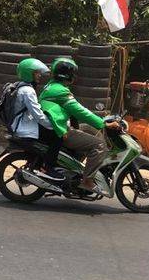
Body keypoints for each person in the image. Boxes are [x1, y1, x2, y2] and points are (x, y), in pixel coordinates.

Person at [40, 58, 120, 193]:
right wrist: (103, 123)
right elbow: (79, 111)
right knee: (99, 145)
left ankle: (76, 165)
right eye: (73, 73)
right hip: (59, 129)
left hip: (56, 126)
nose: (75, 77)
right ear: (67, 74)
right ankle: (87, 180)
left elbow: (75, 110)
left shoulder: (52, 86)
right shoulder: (60, 91)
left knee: (87, 129)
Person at [11, 58, 64, 181]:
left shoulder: (21, 86)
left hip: (23, 123)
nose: (39, 75)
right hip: (24, 127)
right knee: (58, 136)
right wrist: (54, 126)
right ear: (28, 73)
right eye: (36, 73)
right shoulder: (28, 91)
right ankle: (48, 167)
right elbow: (38, 115)